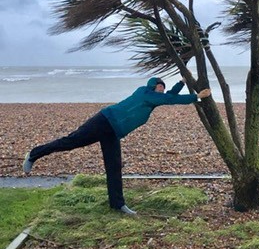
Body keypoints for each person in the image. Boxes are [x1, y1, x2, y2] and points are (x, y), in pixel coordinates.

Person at [21, 77, 208, 214]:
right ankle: (34, 154)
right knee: (70, 142)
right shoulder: (144, 92)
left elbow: (168, 97)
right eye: (160, 86)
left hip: (113, 131)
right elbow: (168, 99)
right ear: (152, 86)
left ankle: (117, 204)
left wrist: (182, 82)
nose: (161, 90)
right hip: (103, 121)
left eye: (163, 88)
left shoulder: (152, 99)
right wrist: (196, 97)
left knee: (114, 166)